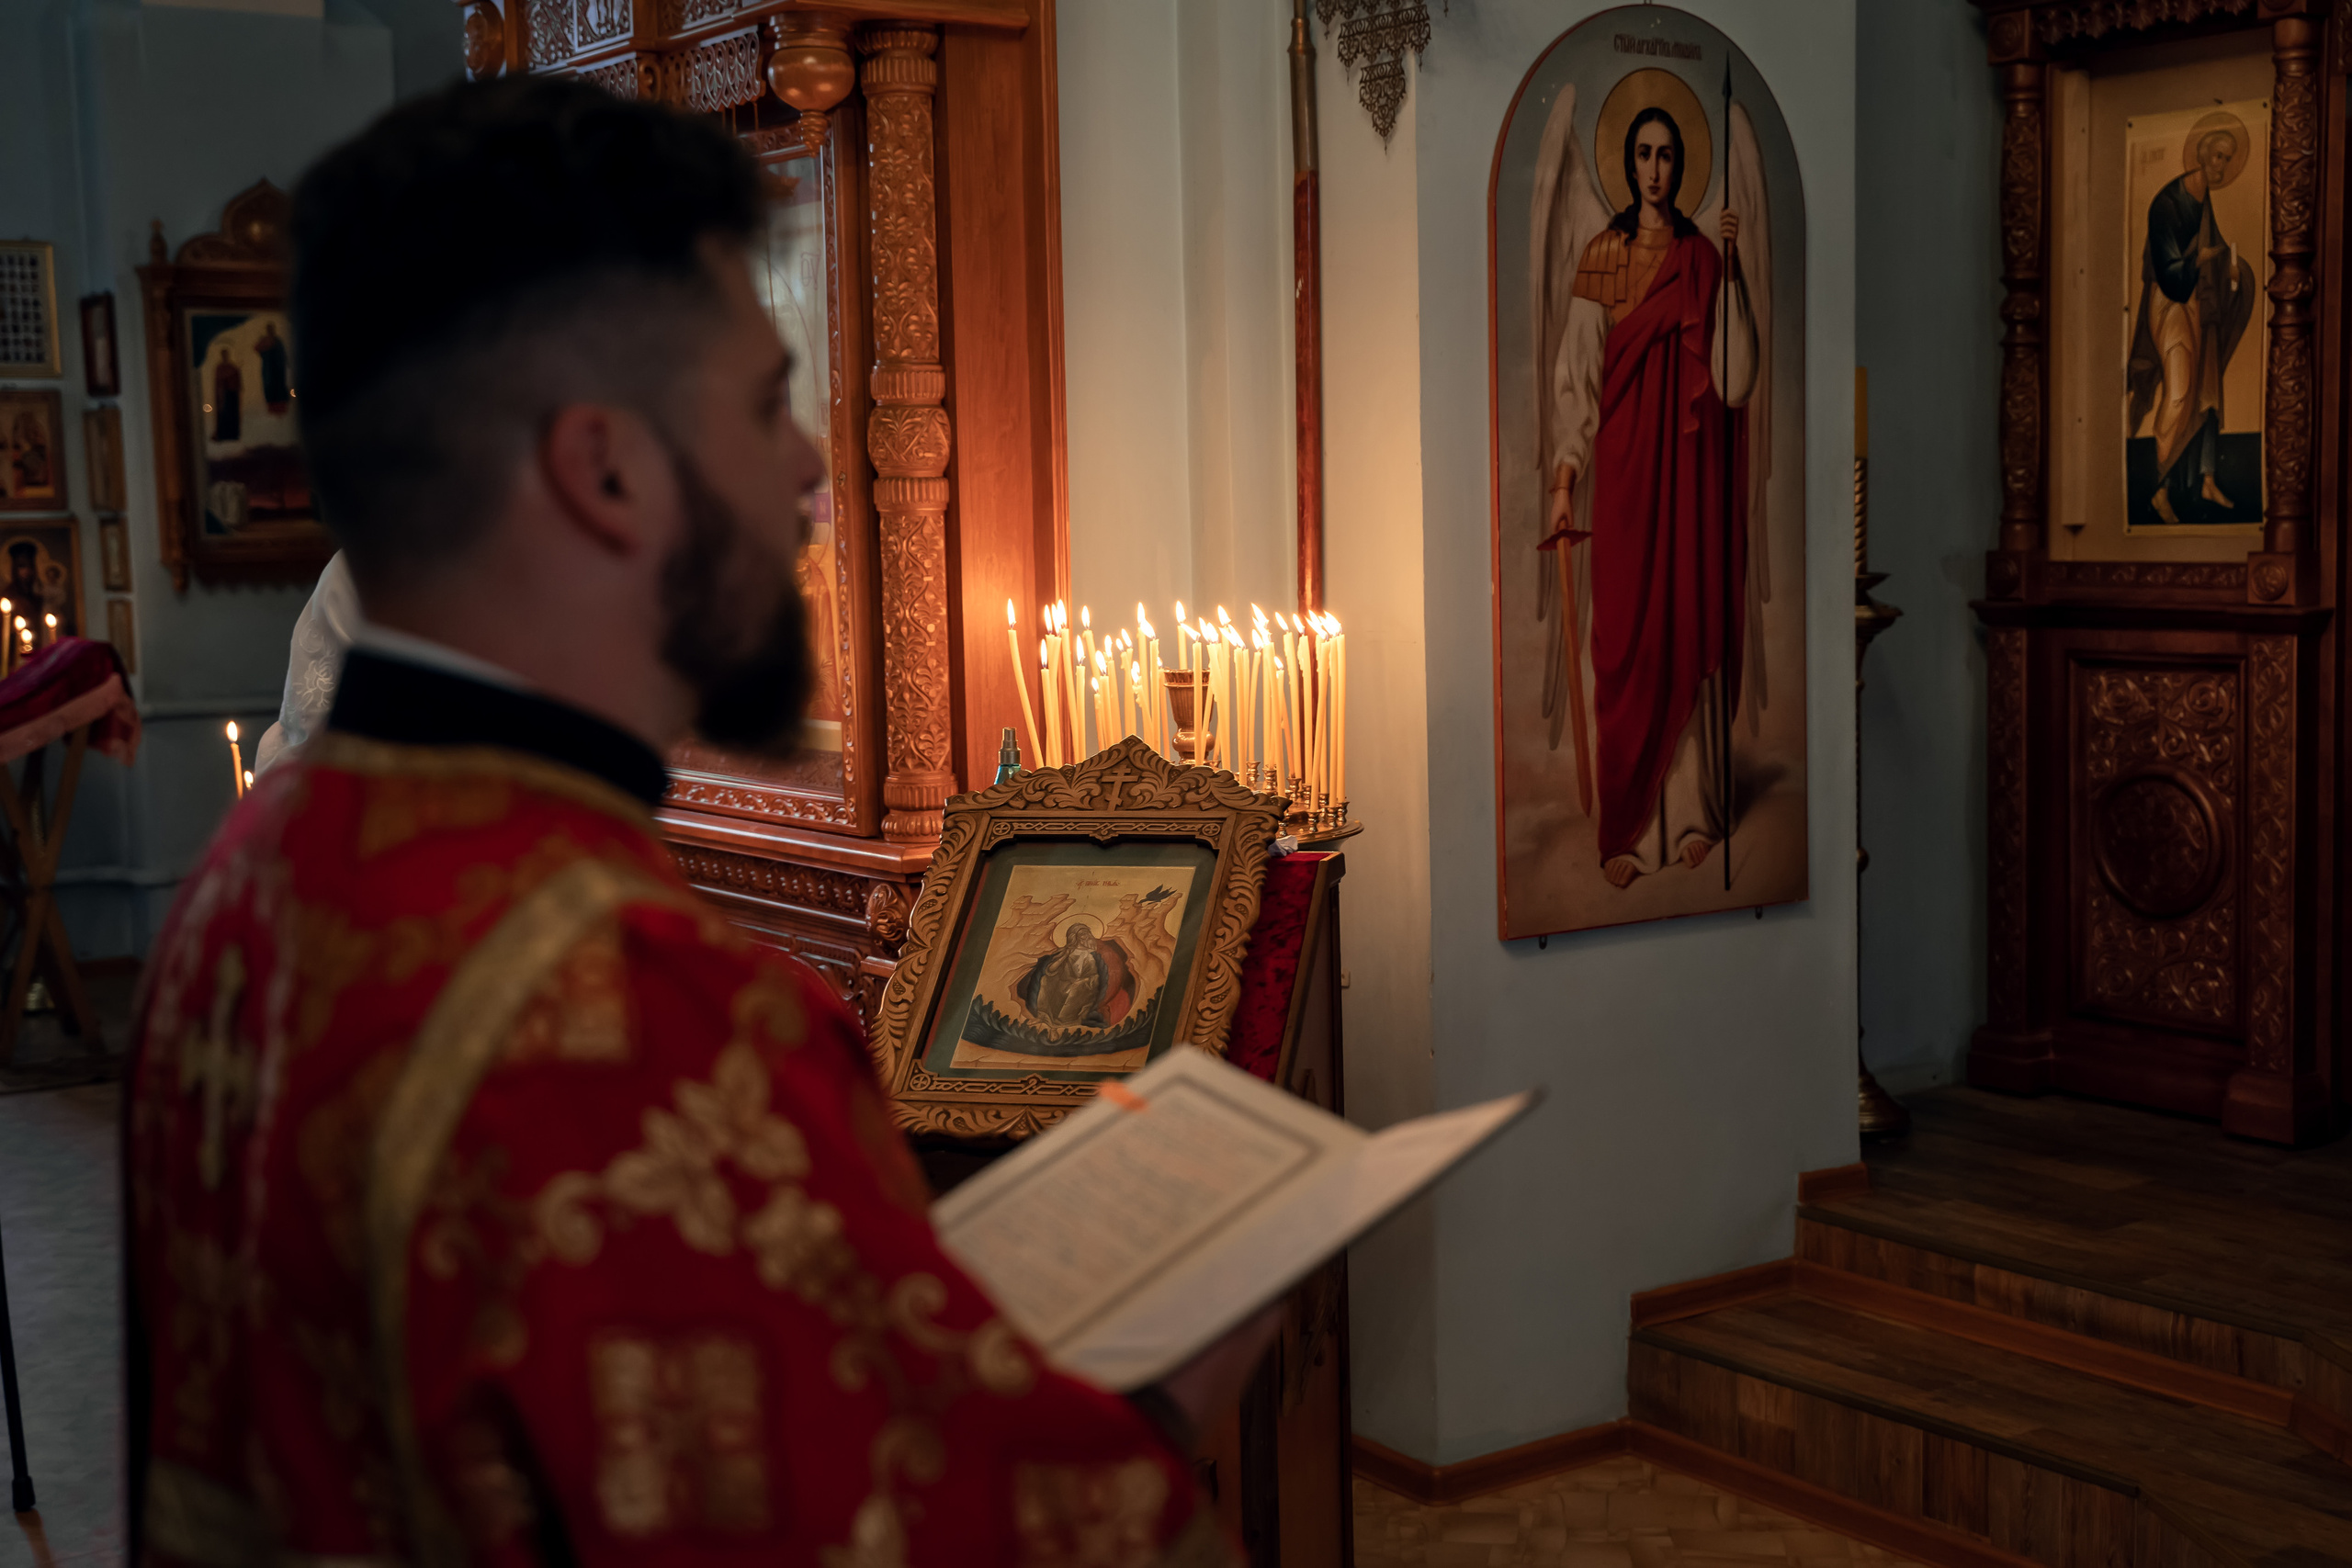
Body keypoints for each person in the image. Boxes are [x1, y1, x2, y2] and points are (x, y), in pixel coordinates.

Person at [126, 76, 1262, 1567]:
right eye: (762, 403)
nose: (807, 472)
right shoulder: (634, 1003)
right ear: (604, 467)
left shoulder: (241, 888)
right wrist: (1161, 1414)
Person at [1541, 106, 1758, 889]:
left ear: (1681, 164)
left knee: (1685, 616)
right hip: (1630, 474)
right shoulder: (1604, 255)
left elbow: (1734, 379)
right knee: (1630, 632)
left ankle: (1692, 812)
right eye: (1644, 154)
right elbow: (1578, 378)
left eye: (1669, 155)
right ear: (1627, 165)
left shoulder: (1702, 255)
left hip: (1691, 477)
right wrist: (1566, 481)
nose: (1658, 169)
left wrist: (1730, 268)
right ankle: (1627, 821)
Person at [2127, 124, 2256, 526]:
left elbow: (2210, 255)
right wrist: (2199, 262)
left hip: (2199, 305)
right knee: (2180, 394)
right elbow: (2168, 269)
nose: (2222, 165)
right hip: (2171, 302)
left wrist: (2232, 270)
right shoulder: (2170, 201)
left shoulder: (2205, 204)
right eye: (2217, 155)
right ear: (2200, 155)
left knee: (2208, 393)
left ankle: (2206, 480)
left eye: (2228, 159)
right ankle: (2158, 489)